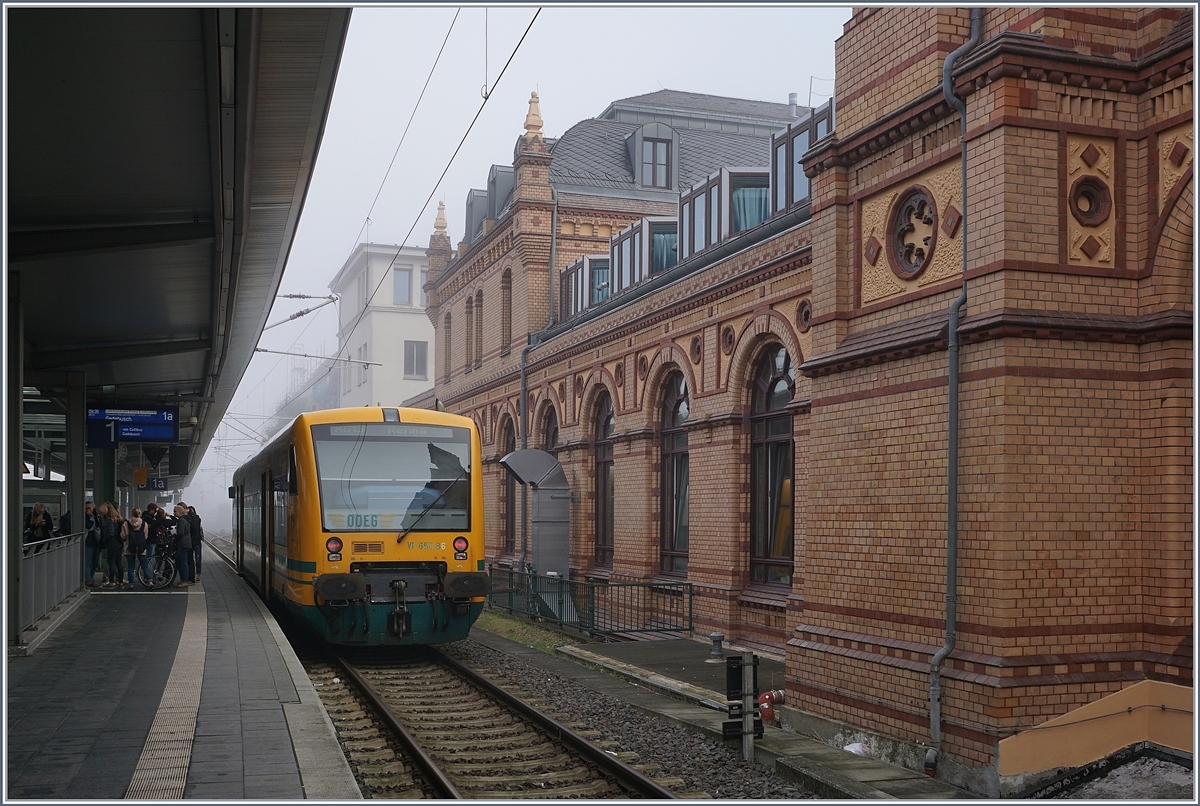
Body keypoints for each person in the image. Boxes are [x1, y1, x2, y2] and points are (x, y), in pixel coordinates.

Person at [122, 508, 152, 591]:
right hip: (141, 548)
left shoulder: (126, 523)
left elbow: (123, 536)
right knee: (145, 565)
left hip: (129, 548)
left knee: (131, 567)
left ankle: (131, 584)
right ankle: (150, 582)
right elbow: (145, 536)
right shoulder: (144, 524)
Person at [99, 502, 125, 589]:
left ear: (109, 509)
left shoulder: (109, 520)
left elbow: (110, 533)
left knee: (111, 562)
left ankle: (111, 582)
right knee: (119, 562)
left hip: (112, 542)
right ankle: (120, 582)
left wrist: (105, 541)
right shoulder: (119, 519)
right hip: (120, 542)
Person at [172, 504, 194, 588]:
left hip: (183, 543)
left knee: (183, 562)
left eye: (175, 511)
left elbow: (180, 533)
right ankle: (183, 580)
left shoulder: (181, 520)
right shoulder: (186, 519)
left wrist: (175, 540)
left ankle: (184, 580)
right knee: (183, 561)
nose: (173, 513)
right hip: (187, 542)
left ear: (180, 512)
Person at [82, 501, 102, 587]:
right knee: (88, 562)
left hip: (97, 542)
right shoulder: (84, 518)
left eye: (89, 508)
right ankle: (88, 579)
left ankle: (91, 577)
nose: (88, 510)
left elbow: (99, 525)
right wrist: (90, 518)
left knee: (95, 562)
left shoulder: (97, 516)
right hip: (88, 542)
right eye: (86, 508)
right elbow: (88, 527)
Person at [183, 503, 204, 579]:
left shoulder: (190, 519)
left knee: (191, 559)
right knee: (198, 558)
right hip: (197, 541)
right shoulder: (197, 519)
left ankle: (193, 574)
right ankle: (198, 574)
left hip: (191, 541)